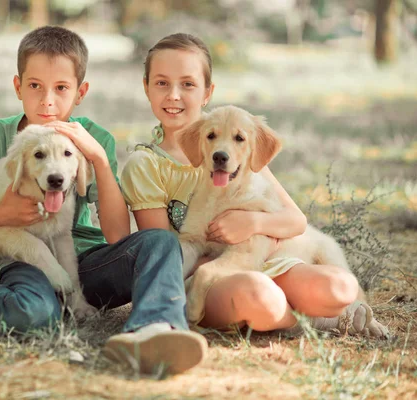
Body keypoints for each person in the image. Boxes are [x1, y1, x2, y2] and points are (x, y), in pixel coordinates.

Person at [0, 26, 207, 374]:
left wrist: (100, 163)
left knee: (159, 243)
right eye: (35, 86)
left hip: (85, 263)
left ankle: (155, 329)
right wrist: (0, 213)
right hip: (18, 264)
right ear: (18, 87)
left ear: (80, 92)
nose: (48, 100)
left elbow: (118, 238)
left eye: (61, 88)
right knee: (34, 313)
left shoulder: (95, 139)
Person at [120, 33, 389, 338]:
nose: (174, 95)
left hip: (277, 262)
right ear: (146, 87)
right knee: (262, 297)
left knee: (340, 285)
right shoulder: (147, 164)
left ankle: (342, 311)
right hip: (214, 280)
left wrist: (254, 223)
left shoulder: (245, 159)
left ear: (207, 92)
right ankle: (313, 319)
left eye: (188, 84)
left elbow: (296, 221)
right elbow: (166, 254)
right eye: (162, 83)